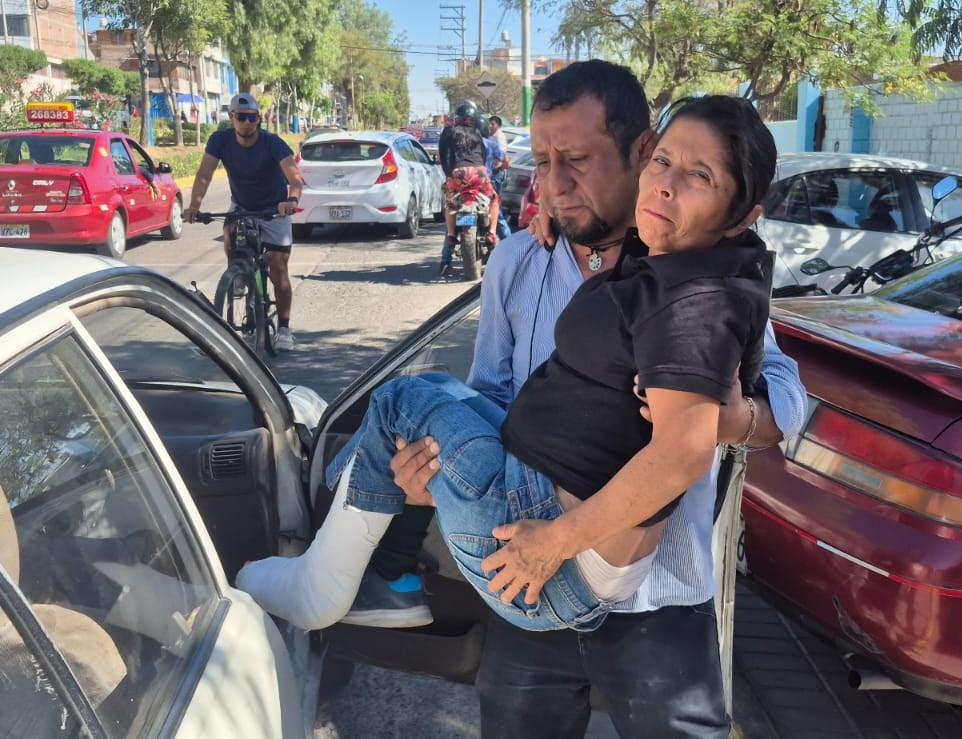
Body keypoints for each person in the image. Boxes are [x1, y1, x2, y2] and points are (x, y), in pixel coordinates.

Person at [285, 61, 806, 738]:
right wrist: (427, 476)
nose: (554, 184)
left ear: (640, 151)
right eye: (544, 159)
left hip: (659, 599)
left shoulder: (696, 271)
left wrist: (738, 419)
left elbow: (790, 395)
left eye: (579, 160)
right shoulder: (517, 263)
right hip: (526, 576)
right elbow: (491, 397)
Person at [182, 93, 306, 352]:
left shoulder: (273, 143)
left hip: (274, 209)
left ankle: (284, 328)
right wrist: (195, 205)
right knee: (229, 230)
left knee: (278, 269)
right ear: (232, 118)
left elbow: (294, 179)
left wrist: (291, 201)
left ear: (258, 118)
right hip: (242, 206)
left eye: (251, 117)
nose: (246, 123)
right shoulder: (220, 140)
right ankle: (238, 272)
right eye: (241, 117)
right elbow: (205, 174)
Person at [438, 100, 501, 277]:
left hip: (457, 174)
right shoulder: (477, 134)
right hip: (477, 172)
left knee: (451, 204)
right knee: (494, 200)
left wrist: (450, 176)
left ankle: (451, 235)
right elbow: (481, 156)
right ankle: (491, 233)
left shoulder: (449, 133)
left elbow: (444, 156)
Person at [484, 123, 513, 240]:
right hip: (485, 182)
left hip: (460, 183)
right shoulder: (489, 144)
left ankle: (446, 254)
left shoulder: (463, 143)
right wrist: (499, 169)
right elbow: (506, 161)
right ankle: (508, 243)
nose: (490, 126)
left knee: (453, 208)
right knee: (496, 208)